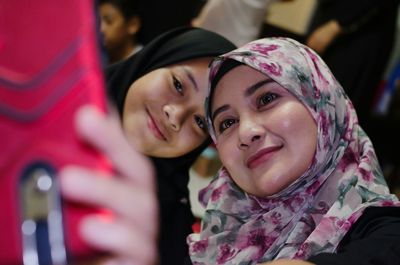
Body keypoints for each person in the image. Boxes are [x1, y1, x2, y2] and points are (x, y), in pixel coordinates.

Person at [187, 37, 400, 265]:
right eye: (227, 123)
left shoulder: (386, 237)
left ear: (321, 103)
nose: (246, 132)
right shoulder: (217, 231)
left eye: (266, 99)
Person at [61, 27, 236, 265]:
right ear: (151, 62)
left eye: (200, 123)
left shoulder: (171, 232)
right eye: (178, 85)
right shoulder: (37, 124)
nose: (175, 116)